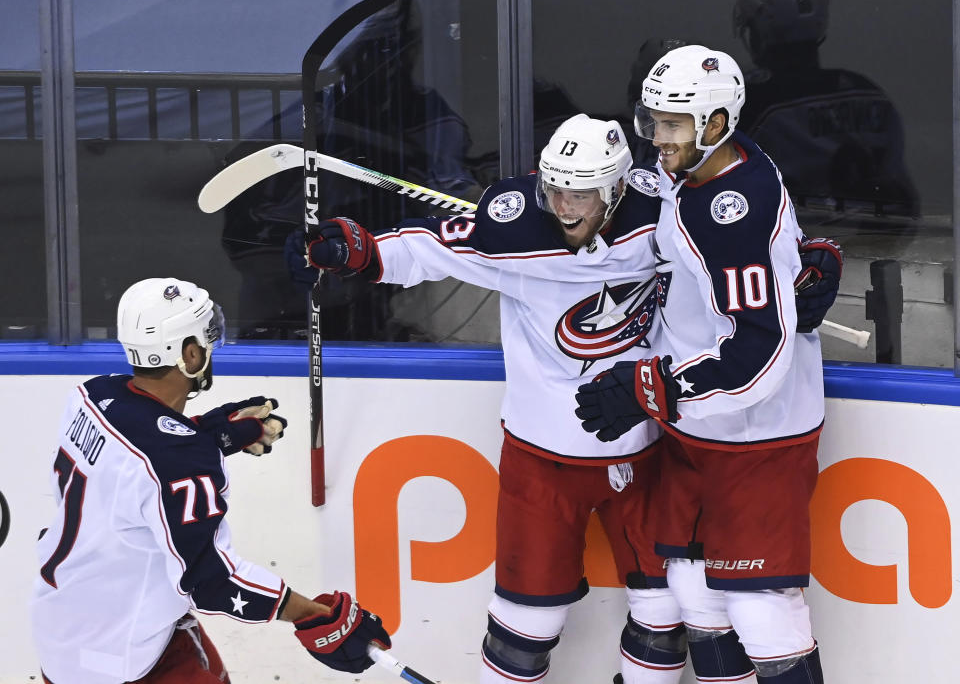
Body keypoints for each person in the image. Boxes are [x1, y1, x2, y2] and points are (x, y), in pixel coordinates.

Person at [303, 113, 839, 684]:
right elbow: (430, 247)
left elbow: (743, 231)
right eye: (554, 188)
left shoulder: (660, 213)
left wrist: (813, 257)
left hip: (646, 448)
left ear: (614, 189)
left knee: (667, 611)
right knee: (524, 624)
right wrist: (355, 250)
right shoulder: (514, 230)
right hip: (543, 456)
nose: (563, 206)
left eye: (580, 193)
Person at [576, 45, 832, 683]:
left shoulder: (731, 212)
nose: (656, 138)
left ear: (716, 124)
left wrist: (651, 387)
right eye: (653, 121)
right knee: (695, 592)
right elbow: (664, 196)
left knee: (761, 606)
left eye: (672, 125)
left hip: (756, 438)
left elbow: (757, 356)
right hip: (700, 432)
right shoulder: (704, 172)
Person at [30, 277, 390, 683]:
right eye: (206, 339)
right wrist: (315, 617)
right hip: (123, 659)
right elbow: (214, 581)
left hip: (60, 629)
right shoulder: (178, 461)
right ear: (189, 352)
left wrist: (208, 435)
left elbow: (137, 456)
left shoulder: (91, 395)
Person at [733, 0, 919, 225]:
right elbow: (905, 199)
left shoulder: (753, 101)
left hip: (801, 244)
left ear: (761, 27)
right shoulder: (868, 92)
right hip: (879, 241)